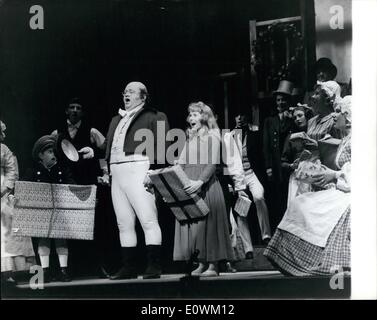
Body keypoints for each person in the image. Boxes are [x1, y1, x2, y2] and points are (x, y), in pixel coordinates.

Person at [264, 96, 352, 276]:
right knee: (300, 202)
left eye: (339, 113)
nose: (335, 117)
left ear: (348, 116)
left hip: (351, 190)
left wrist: (333, 175)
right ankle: (290, 257)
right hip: (342, 185)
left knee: (313, 206)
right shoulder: (346, 139)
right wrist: (324, 171)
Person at [98, 81, 170, 280]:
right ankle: (128, 266)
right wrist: (96, 154)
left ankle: (154, 265)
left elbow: (163, 145)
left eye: (131, 91)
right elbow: (109, 147)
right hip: (117, 172)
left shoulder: (155, 116)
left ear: (143, 96)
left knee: (148, 219)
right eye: (125, 92)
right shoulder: (116, 120)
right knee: (124, 222)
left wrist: (153, 172)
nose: (126, 94)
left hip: (139, 167)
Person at [52, 97, 116, 279]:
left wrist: (98, 159)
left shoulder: (92, 131)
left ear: (83, 112)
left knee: (93, 225)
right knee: (67, 226)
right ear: (66, 111)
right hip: (65, 182)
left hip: (87, 181)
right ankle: (66, 269)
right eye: (71, 107)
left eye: (78, 108)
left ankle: (98, 266)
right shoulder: (57, 132)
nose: (74, 110)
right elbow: (49, 152)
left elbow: (107, 150)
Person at [173, 101, 234, 277]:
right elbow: (182, 162)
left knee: (209, 225)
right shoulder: (190, 138)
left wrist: (200, 181)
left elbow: (213, 162)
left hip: (205, 185)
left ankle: (213, 265)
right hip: (190, 184)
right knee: (196, 227)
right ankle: (200, 263)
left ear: (204, 116)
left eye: (195, 114)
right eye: (190, 114)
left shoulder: (213, 136)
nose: (191, 117)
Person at [24, 135, 76, 283]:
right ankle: (45, 272)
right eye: (49, 152)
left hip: (60, 210)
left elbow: (72, 184)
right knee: (43, 240)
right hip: (42, 211)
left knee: (61, 239)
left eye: (53, 152)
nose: (53, 155)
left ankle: (63, 270)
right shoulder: (33, 170)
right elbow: (25, 188)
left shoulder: (61, 169)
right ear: (40, 155)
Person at [230, 112, 272, 253]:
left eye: (242, 115)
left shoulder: (254, 134)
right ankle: (247, 248)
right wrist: (232, 183)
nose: (240, 118)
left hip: (252, 173)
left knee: (259, 197)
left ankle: (266, 235)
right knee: (241, 208)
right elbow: (227, 162)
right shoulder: (229, 136)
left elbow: (261, 155)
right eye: (237, 115)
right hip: (239, 176)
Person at [1, 120, 35, 284]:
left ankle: (8, 271)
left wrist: (5, 188)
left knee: (6, 231)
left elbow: (11, 170)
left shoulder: (4, 149)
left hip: (2, 191)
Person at [263, 80, 294, 230]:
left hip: (287, 165)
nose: (280, 103)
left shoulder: (294, 118)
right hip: (274, 166)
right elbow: (266, 146)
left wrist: (289, 119)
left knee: (288, 196)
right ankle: (277, 228)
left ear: (288, 101)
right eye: (278, 100)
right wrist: (268, 167)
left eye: (283, 100)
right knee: (275, 198)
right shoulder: (270, 121)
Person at [281, 105, 315, 205]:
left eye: (300, 116)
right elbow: (283, 162)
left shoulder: (313, 133)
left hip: (314, 173)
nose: (298, 119)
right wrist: (291, 166)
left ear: (307, 116)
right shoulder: (291, 137)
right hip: (297, 177)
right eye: (295, 117)